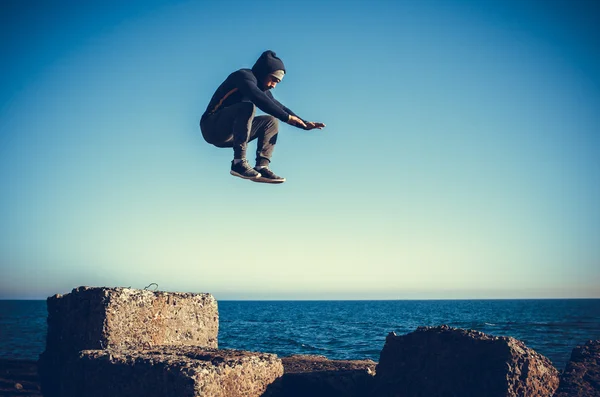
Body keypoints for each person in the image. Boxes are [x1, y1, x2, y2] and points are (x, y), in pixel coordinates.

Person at [200, 50, 325, 184]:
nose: (273, 85)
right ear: (264, 72)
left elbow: (279, 107)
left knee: (271, 121)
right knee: (247, 107)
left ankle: (262, 166)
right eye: (273, 80)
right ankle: (238, 162)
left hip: (231, 136)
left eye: (277, 82)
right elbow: (258, 98)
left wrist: (304, 124)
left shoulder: (262, 88)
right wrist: (287, 117)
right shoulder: (243, 77)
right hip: (211, 127)